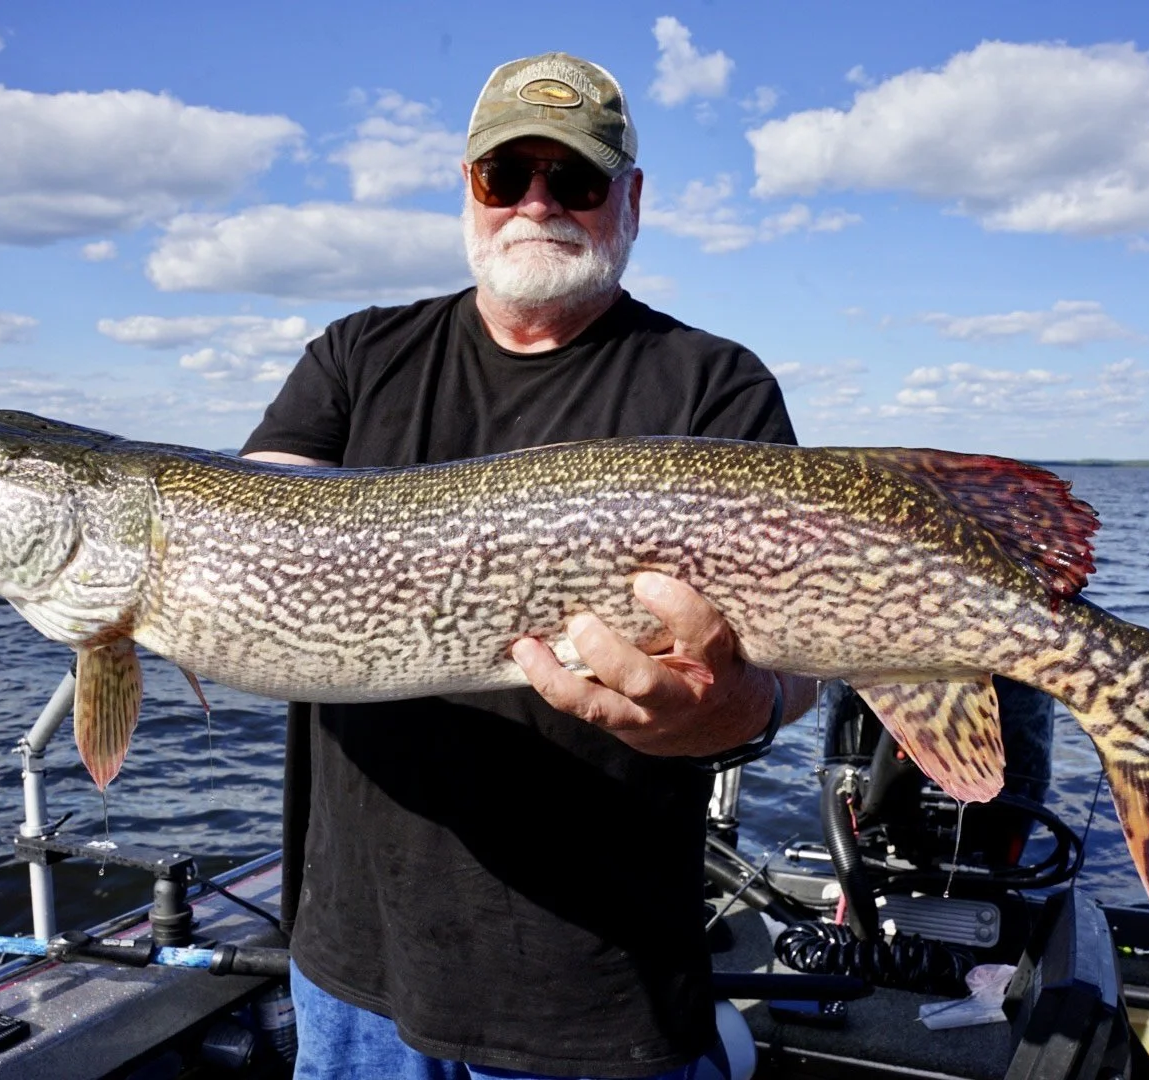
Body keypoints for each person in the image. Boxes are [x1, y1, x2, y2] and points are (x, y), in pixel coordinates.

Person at [242, 51, 812, 1079]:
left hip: (597, 994)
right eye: (506, 178)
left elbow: (800, 656)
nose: (536, 205)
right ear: (467, 189)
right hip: (355, 974)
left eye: (577, 180)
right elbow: (255, 516)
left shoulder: (714, 386)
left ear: (629, 199)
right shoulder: (356, 356)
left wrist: (745, 713)